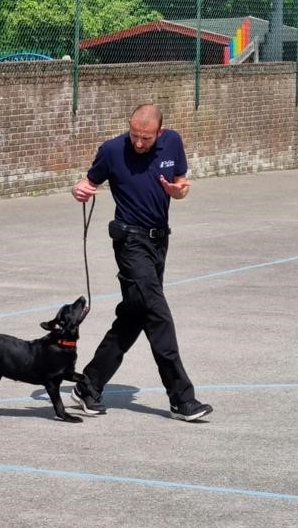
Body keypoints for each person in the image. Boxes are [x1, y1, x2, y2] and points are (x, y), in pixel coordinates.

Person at [70, 103, 213, 422]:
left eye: (145, 138)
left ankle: (88, 385)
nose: (138, 143)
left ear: (159, 132)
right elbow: (88, 183)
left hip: (159, 240)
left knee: (134, 315)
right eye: (134, 135)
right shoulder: (111, 150)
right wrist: (80, 189)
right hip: (130, 242)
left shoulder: (173, 142)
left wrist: (179, 192)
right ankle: (182, 399)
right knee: (158, 315)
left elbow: (181, 185)